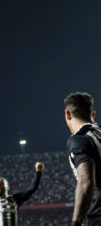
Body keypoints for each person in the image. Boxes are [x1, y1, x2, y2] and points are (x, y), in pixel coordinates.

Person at [65, 92, 100, 226]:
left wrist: (76, 223)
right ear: (93, 114)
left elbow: (86, 182)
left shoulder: (79, 139)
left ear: (67, 114)